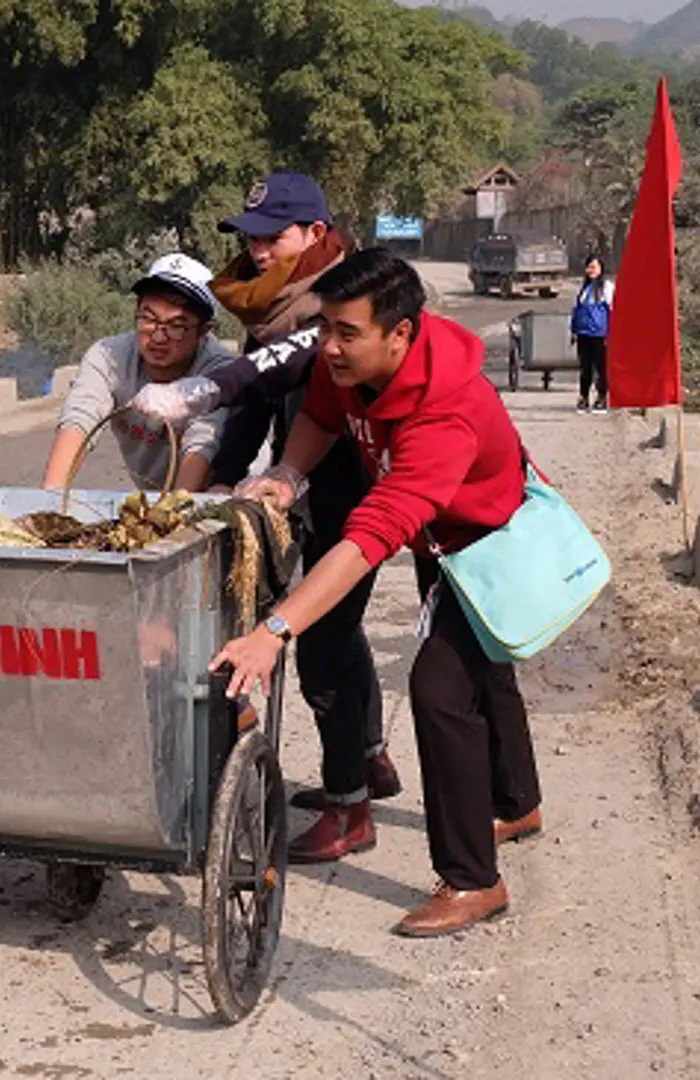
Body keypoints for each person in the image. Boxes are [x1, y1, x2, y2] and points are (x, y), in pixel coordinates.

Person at [214, 248, 543, 937]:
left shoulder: (443, 410)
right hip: (436, 533)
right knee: (485, 666)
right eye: (324, 327)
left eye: (346, 333)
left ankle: (470, 880)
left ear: (399, 333)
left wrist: (274, 631)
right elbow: (322, 417)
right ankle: (516, 802)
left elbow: (369, 540)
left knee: (440, 687)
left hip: (487, 538)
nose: (327, 347)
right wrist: (288, 474)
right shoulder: (349, 368)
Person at [132, 172, 399, 864]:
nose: (255, 251)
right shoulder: (272, 306)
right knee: (340, 631)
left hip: (363, 491)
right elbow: (257, 399)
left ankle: (348, 811)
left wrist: (198, 389)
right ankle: (368, 756)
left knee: (319, 644)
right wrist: (221, 479)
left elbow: (278, 366)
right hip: (305, 486)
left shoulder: (337, 301)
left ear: (314, 235)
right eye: (248, 238)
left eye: (270, 236)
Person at [41, 254, 236, 494]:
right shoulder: (108, 356)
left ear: (203, 331)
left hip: (223, 493)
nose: (158, 337)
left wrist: (173, 516)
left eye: (176, 326)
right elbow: (79, 419)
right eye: (148, 318)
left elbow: (202, 444)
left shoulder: (219, 372)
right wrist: (51, 496)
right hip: (155, 493)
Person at [570, 256, 614, 415]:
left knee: (601, 367)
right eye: (589, 267)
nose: (591, 270)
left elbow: (612, 310)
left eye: (594, 267)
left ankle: (602, 397)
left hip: (600, 334)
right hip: (583, 333)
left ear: (601, 269)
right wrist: (574, 331)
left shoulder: (607, 287)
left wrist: (610, 332)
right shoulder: (583, 289)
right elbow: (576, 311)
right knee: (585, 367)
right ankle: (583, 397)